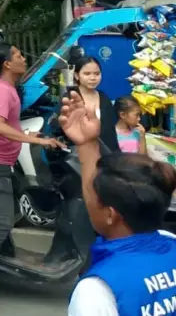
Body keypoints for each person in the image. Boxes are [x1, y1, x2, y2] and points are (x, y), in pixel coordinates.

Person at [57, 90, 176, 316]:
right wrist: (87, 144)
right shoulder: (171, 243)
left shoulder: (96, 291)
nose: (89, 200)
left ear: (111, 215)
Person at [0, 42, 62, 314]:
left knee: (6, 214)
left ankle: (1, 264)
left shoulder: (6, 88)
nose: (24, 59)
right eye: (20, 55)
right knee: (2, 223)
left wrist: (34, 137)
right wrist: (30, 140)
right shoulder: (0, 90)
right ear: (7, 64)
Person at [70, 56, 121, 152]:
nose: (93, 78)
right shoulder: (70, 98)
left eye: (97, 74)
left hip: (106, 156)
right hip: (81, 156)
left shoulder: (104, 98)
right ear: (77, 75)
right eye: (87, 74)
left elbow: (111, 131)